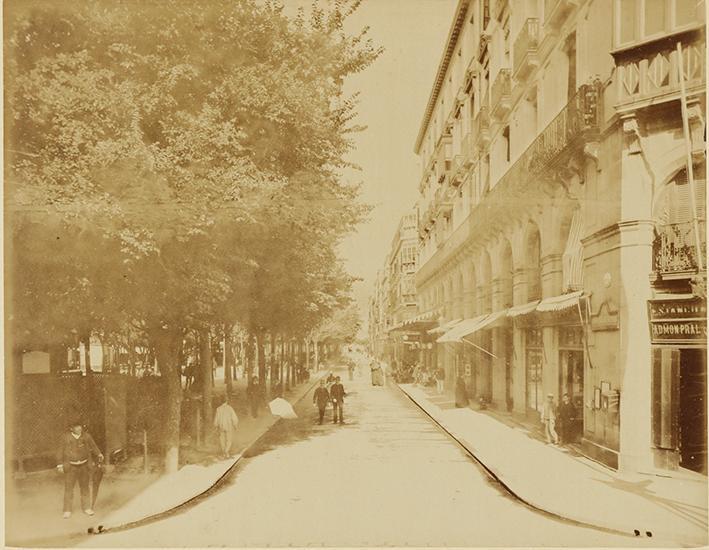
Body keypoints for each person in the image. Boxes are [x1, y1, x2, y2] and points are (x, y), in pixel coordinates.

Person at [57, 420, 103, 518]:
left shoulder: (86, 436)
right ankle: (67, 510)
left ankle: (86, 508)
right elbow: (60, 451)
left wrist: (99, 453)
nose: (79, 428)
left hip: (83, 466)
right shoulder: (65, 438)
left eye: (80, 426)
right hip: (71, 467)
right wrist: (59, 465)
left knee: (85, 487)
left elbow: (93, 446)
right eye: (76, 427)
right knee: (69, 489)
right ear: (71, 428)